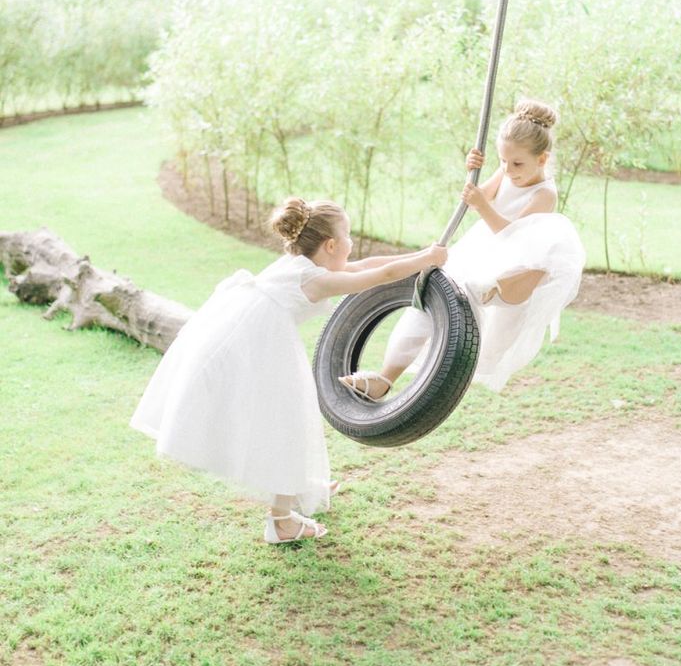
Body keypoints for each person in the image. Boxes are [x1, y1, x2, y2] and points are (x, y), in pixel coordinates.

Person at [130, 197, 446, 544]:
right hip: (254, 345)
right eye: (349, 236)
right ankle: (281, 520)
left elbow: (368, 264)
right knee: (286, 422)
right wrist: (427, 260)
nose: (352, 244)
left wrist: (420, 255)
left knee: (285, 419)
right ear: (331, 245)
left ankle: (297, 490)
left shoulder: (301, 264)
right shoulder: (315, 281)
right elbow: (378, 276)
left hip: (247, 336)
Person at [339, 99, 585, 401]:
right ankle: (385, 378)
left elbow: (511, 236)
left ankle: (441, 377)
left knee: (473, 311)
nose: (507, 170)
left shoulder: (544, 193)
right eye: (502, 161)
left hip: (511, 264)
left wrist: (481, 204)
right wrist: (472, 172)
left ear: (543, 158)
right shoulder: (508, 171)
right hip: (479, 248)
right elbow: (483, 195)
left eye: (517, 163)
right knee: (429, 292)